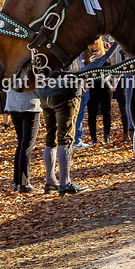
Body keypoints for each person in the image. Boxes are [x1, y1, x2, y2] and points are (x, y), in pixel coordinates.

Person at [39, 64, 83, 195]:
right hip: (66, 91)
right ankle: (65, 182)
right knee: (66, 136)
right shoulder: (67, 46)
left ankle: (50, 181)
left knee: (50, 138)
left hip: (45, 91)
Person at [5, 84, 42, 192]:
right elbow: (38, 85)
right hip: (30, 103)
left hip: (13, 103)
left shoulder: (9, 67)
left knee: (21, 143)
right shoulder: (31, 67)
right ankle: (23, 182)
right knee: (27, 144)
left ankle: (17, 181)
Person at [84, 38, 112, 145]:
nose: (94, 46)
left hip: (105, 86)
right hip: (92, 86)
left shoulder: (104, 54)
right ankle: (93, 137)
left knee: (107, 111)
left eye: (96, 44)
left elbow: (110, 67)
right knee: (92, 113)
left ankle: (106, 135)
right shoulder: (86, 55)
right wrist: (89, 62)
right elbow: (83, 70)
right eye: (92, 44)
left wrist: (103, 59)